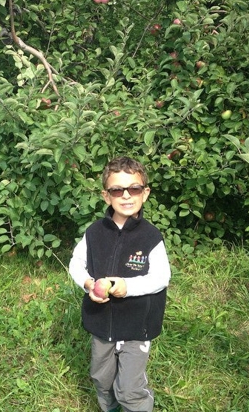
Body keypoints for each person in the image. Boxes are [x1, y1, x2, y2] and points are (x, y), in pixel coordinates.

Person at [69, 156, 171, 412]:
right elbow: (75, 263)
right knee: (101, 379)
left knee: (129, 389)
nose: (126, 195)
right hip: (102, 324)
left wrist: (128, 286)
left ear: (145, 193)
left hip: (137, 326)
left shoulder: (151, 236)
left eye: (134, 188)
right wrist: (88, 284)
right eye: (117, 190)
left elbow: (161, 278)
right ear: (107, 196)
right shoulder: (94, 232)